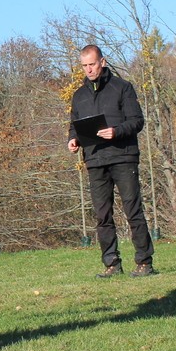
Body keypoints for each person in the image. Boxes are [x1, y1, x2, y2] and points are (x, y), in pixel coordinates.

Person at [67, 44, 156, 278]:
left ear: (102, 62)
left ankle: (144, 262)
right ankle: (112, 264)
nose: (88, 70)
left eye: (92, 64)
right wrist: (73, 140)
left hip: (123, 156)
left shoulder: (122, 88)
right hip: (95, 160)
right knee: (102, 215)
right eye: (84, 66)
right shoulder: (79, 96)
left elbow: (137, 121)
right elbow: (74, 125)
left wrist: (116, 132)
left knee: (132, 210)